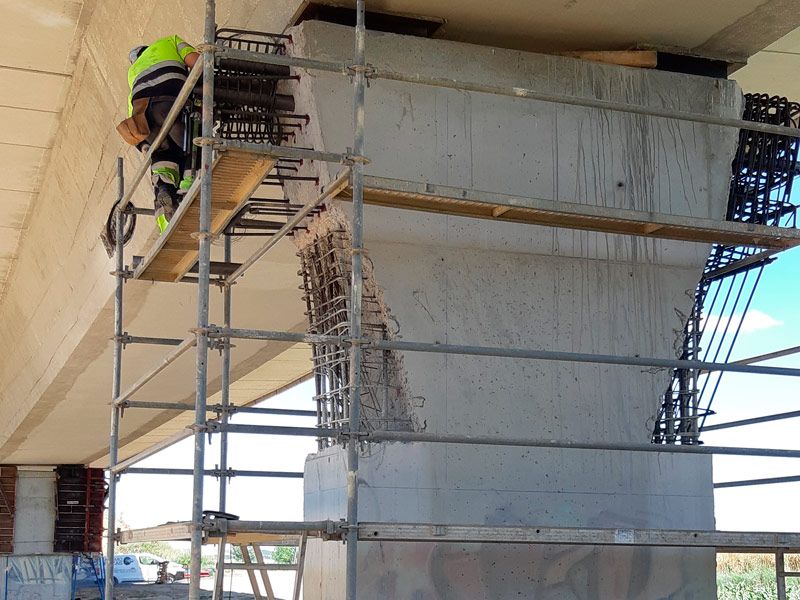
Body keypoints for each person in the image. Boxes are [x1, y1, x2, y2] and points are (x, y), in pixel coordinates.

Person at [116, 35, 199, 233]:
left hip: (146, 119)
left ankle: (164, 189)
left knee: (163, 156)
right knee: (193, 142)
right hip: (172, 104)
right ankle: (189, 183)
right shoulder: (169, 41)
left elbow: (134, 124)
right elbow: (197, 62)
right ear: (147, 48)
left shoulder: (133, 75)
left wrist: (147, 148)